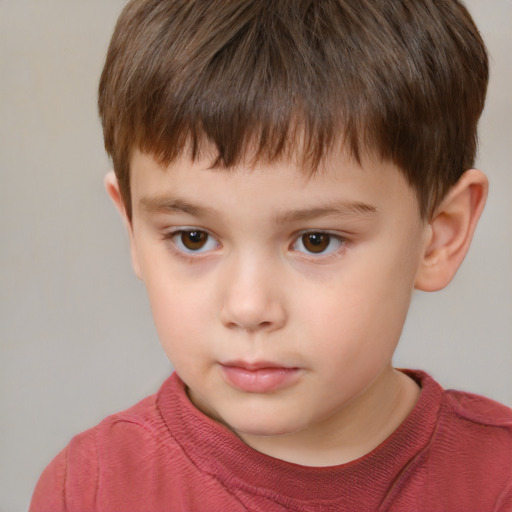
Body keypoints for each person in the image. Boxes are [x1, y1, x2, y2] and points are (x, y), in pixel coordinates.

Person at [30, 0, 512, 510]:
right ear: (132, 227)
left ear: (439, 235)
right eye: (193, 238)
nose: (248, 308)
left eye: (316, 241)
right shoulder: (92, 489)